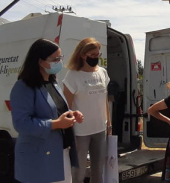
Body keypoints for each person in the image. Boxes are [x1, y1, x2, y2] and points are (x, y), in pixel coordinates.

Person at [10, 38, 83, 183]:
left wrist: (71, 114)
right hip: (39, 159)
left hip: (61, 153)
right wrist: (55, 124)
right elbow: (21, 124)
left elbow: (56, 110)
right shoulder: (23, 86)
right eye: (55, 59)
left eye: (60, 57)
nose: (59, 62)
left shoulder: (52, 83)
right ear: (40, 61)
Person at [63, 37, 111, 183]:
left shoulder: (102, 72)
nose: (96, 58)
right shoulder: (72, 75)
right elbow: (67, 106)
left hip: (99, 128)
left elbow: (105, 99)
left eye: (98, 55)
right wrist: (68, 129)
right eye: (93, 55)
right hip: (80, 131)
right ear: (83, 55)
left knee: (99, 169)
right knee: (79, 171)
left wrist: (109, 123)